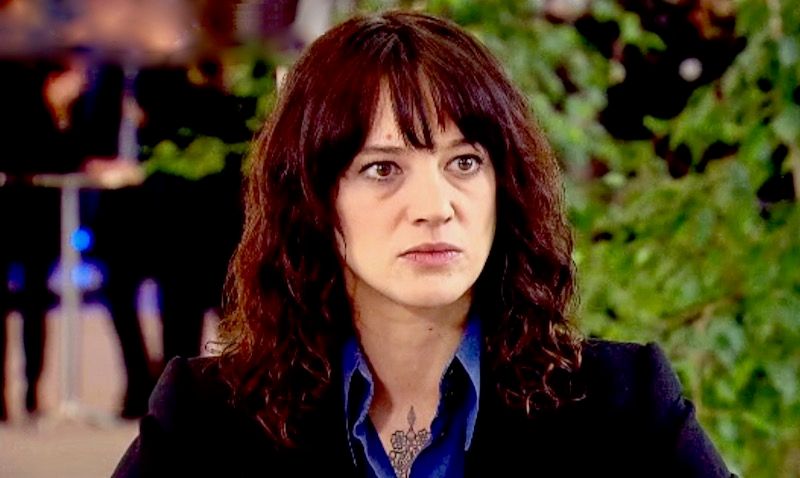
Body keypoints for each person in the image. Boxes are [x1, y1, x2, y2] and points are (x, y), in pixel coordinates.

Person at [112, 11, 734, 477]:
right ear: (312, 201)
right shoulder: (204, 418)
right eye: (383, 169)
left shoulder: (622, 402)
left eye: (464, 162)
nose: (435, 207)